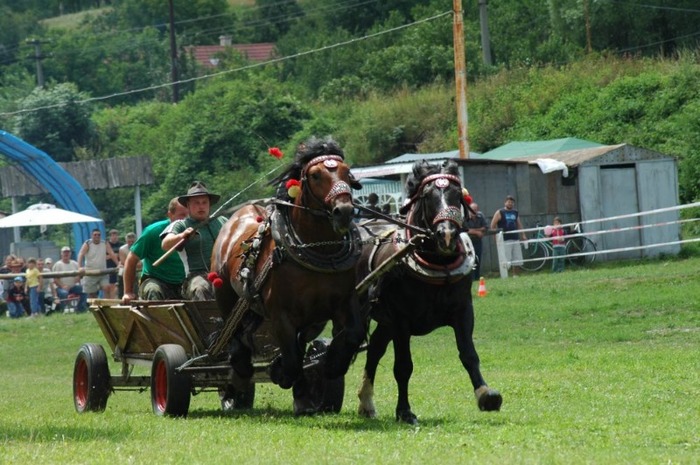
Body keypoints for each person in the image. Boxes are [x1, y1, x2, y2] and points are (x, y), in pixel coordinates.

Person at [161, 181, 227, 301]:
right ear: (188, 205)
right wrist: (182, 236)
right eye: (196, 203)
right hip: (195, 277)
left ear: (209, 204)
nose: (201, 206)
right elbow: (165, 244)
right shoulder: (180, 225)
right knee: (201, 288)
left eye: (204, 202)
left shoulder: (222, 221)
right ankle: (208, 319)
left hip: (224, 273)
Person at [121, 198, 188, 304]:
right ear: (170, 215)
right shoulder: (153, 231)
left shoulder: (196, 231)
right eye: (182, 215)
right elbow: (131, 259)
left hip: (185, 281)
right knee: (153, 291)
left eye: (189, 215)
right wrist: (128, 292)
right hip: (156, 280)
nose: (186, 219)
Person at [490, 195, 527, 276]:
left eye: (512, 202)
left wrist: (523, 235)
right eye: (509, 202)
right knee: (506, 259)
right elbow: (492, 225)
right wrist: (496, 238)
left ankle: (515, 275)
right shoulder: (500, 212)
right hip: (505, 239)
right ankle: (505, 275)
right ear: (505, 202)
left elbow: (519, 224)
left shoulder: (515, 212)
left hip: (515, 238)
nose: (510, 204)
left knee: (517, 258)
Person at [77, 229, 119, 298]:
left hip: (102, 272)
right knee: (92, 294)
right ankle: (95, 308)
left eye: (99, 235)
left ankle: (106, 307)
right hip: (90, 272)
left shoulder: (104, 243)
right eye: (95, 235)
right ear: (92, 235)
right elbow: (81, 254)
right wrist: (79, 267)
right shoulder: (88, 243)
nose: (97, 236)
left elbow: (111, 253)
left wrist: (118, 264)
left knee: (107, 288)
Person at [53, 246, 88, 312]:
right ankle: (61, 310)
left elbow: (79, 276)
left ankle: (81, 309)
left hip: (73, 287)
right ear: (61, 254)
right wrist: (63, 286)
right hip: (61, 288)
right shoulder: (57, 264)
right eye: (64, 252)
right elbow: (55, 279)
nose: (66, 254)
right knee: (64, 293)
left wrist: (79, 277)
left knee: (84, 290)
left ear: (70, 254)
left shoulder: (75, 264)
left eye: (68, 252)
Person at [465, 202, 488, 281]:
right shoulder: (465, 217)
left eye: (475, 210)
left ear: (477, 210)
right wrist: (477, 232)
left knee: (478, 259)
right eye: (472, 210)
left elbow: (485, 227)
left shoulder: (481, 216)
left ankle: (477, 278)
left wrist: (473, 230)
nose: (473, 211)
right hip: (468, 243)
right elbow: (465, 230)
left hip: (478, 242)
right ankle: (471, 278)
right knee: (470, 260)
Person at [117, 232, 137, 298]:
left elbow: (141, 262)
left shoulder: (138, 247)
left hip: (137, 270)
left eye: (132, 241)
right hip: (125, 269)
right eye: (129, 241)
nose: (131, 243)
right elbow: (123, 262)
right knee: (121, 272)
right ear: (126, 241)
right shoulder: (122, 249)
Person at [105, 229, 123, 299]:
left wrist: (112, 255)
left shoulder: (121, 245)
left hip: (119, 267)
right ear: (110, 236)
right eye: (112, 235)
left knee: (118, 285)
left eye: (116, 235)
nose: (114, 237)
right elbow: (104, 257)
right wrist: (114, 255)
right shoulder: (107, 245)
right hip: (109, 267)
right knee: (110, 286)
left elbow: (122, 255)